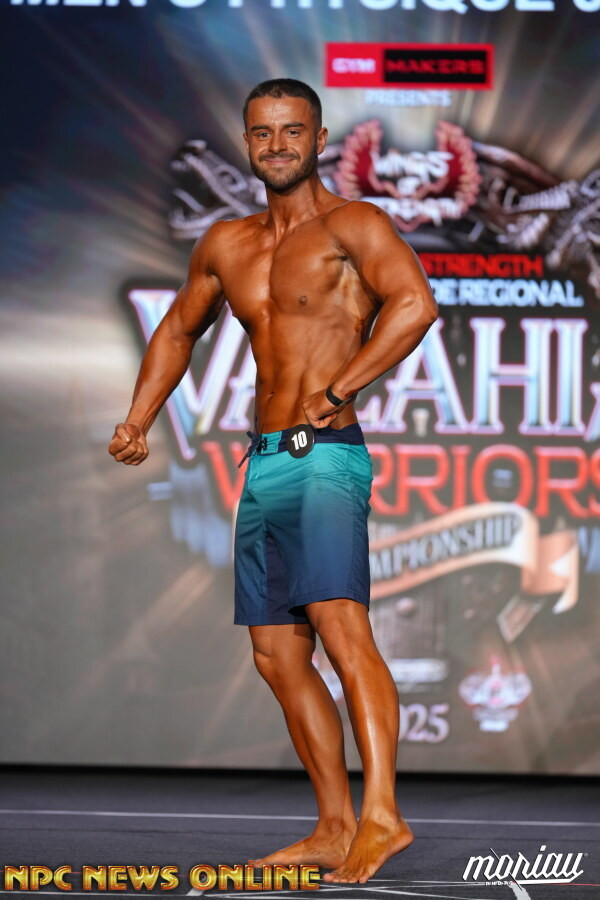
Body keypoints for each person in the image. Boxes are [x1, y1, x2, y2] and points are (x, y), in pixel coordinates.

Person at [108, 78, 438, 884]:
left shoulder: (354, 224)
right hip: (265, 464)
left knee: (341, 628)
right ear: (247, 142)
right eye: (263, 133)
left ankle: (383, 815)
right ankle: (333, 824)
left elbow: (414, 305)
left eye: (293, 131)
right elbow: (178, 329)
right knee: (276, 655)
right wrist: (138, 418)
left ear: (319, 139)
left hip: (324, 455)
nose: (278, 145)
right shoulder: (228, 244)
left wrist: (340, 387)